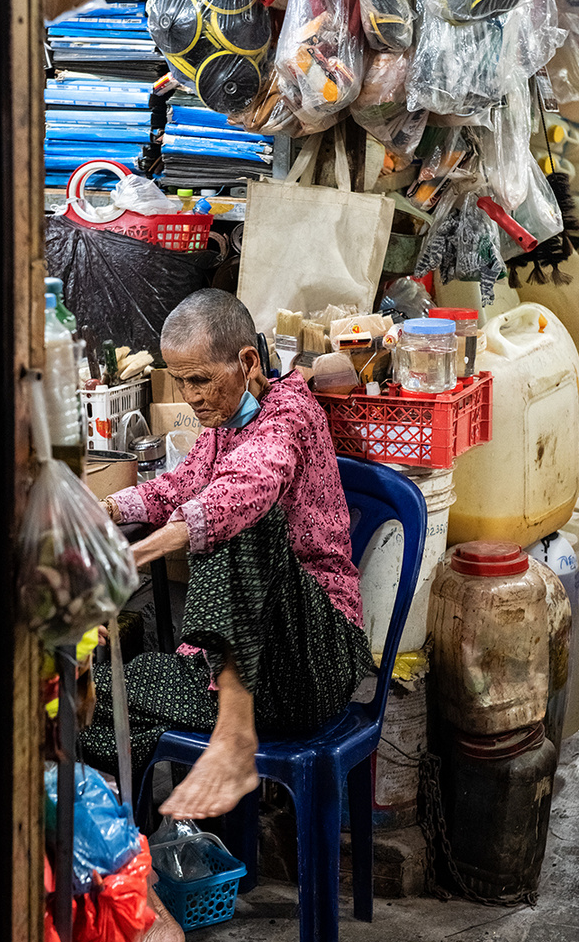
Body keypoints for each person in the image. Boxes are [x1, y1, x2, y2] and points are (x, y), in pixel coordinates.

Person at [80, 288, 372, 824]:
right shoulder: (222, 427)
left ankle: (235, 737)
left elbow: (242, 493)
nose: (190, 396)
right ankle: (128, 856)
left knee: (240, 521)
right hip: (242, 672)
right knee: (95, 698)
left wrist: (134, 556)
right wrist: (100, 509)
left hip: (313, 663)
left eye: (199, 379)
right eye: (181, 381)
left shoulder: (289, 415)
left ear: (247, 362)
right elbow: (175, 489)